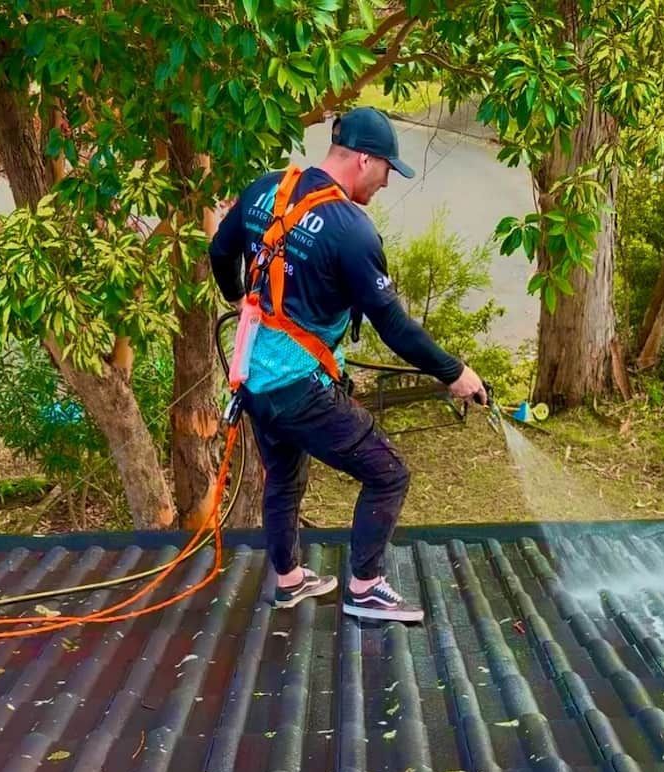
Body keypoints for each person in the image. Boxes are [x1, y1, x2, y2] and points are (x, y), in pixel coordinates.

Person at [209, 107, 487, 623]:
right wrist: (455, 372)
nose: (386, 183)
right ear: (364, 159)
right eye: (387, 170)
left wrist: (241, 298)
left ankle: (290, 581)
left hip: (253, 375)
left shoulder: (266, 188)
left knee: (284, 478)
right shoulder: (351, 230)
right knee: (388, 474)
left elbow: (219, 250)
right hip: (298, 388)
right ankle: (365, 589)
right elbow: (394, 327)